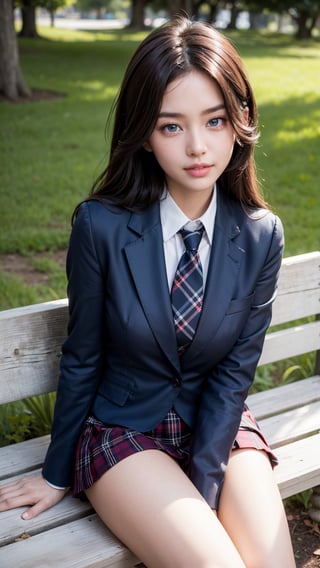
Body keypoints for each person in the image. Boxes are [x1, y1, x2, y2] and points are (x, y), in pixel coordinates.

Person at [0, 16, 295, 568]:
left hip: (218, 423)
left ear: (241, 120)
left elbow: (233, 378)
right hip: (124, 428)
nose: (198, 147)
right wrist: (55, 472)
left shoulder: (260, 234)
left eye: (214, 120)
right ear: (143, 132)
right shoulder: (101, 227)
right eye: (171, 127)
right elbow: (83, 357)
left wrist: (203, 497)